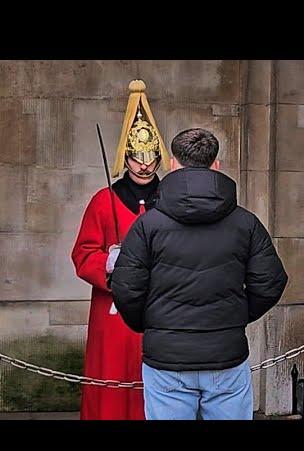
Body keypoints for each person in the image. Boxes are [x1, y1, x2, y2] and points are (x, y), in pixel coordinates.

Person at [111, 128, 288, 420]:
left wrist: (153, 323)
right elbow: (270, 283)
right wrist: (235, 316)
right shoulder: (245, 223)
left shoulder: (148, 225)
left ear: (171, 163)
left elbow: (126, 288)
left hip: (167, 355)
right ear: (215, 165)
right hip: (225, 354)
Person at [71, 79, 170, 420]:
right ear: (125, 157)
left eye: (150, 157)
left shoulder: (172, 202)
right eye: (136, 157)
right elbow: (83, 254)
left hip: (160, 309)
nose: (144, 165)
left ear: (159, 157)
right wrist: (108, 262)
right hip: (112, 314)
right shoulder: (103, 201)